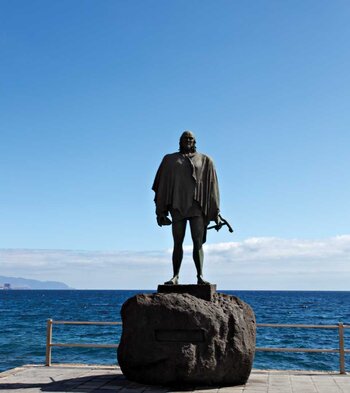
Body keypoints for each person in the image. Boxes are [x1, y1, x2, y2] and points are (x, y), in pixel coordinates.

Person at [152, 131, 221, 285]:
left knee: (197, 242)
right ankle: (175, 276)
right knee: (177, 242)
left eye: (190, 139)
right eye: (185, 138)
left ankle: (200, 276)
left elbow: (213, 188)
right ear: (180, 141)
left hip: (197, 207)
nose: (188, 141)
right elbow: (161, 185)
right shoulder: (170, 160)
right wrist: (160, 211)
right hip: (177, 205)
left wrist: (215, 212)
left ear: (195, 141)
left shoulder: (205, 160)